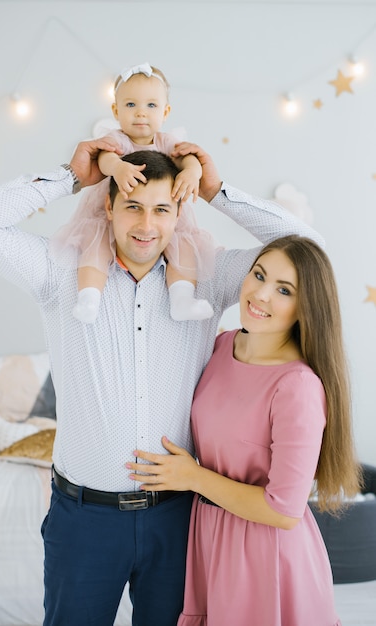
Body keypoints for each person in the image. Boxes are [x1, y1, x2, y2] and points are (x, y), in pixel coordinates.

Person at [0, 138, 325, 626]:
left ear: (178, 214)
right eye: (132, 206)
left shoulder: (207, 280)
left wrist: (216, 190)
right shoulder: (60, 273)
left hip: (176, 520)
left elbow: (306, 247)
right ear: (108, 207)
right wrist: (71, 177)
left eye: (162, 209)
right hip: (83, 519)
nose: (147, 225)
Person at [128, 234, 362, 626]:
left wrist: (193, 477)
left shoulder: (297, 386)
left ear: (307, 308)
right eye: (259, 274)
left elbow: (284, 510)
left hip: (264, 553)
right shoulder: (221, 346)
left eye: (284, 290)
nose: (261, 294)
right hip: (208, 539)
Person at [51, 62, 215, 324]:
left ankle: (182, 298)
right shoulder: (116, 140)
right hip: (110, 212)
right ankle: (89, 298)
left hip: (161, 212)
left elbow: (190, 158)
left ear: (165, 111)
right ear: (116, 110)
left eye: (151, 106)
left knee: (182, 247)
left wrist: (192, 172)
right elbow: (105, 160)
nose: (140, 113)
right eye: (130, 105)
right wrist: (117, 167)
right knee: (96, 246)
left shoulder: (167, 142)